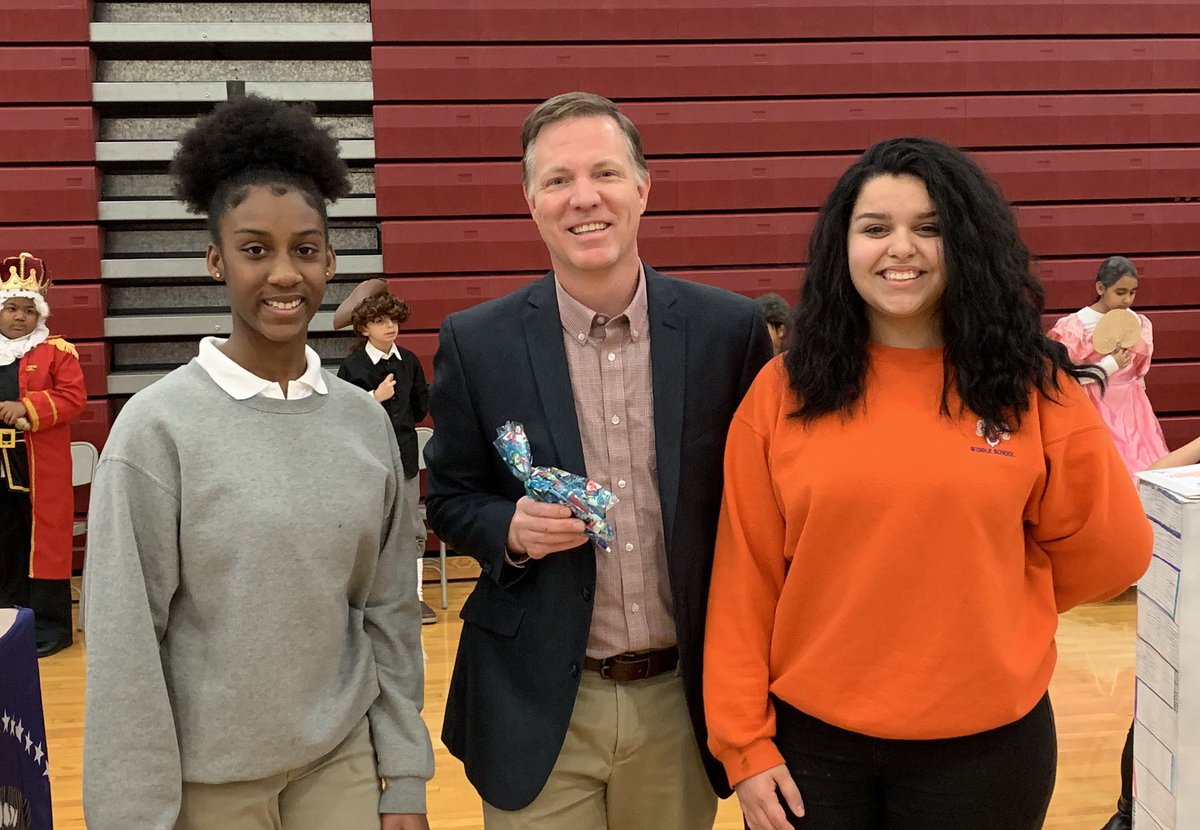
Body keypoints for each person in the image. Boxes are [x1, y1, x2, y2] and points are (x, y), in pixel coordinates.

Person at [703, 137, 1153, 830]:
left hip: (986, 753)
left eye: (929, 227)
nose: (901, 248)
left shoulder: (1032, 388)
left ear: (967, 243)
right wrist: (744, 745)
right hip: (811, 752)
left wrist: (991, 598)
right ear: (842, 248)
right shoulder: (783, 391)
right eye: (875, 228)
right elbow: (745, 580)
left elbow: (1116, 551)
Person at [81, 95, 433, 830]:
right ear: (216, 260)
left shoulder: (364, 423)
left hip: (341, 762)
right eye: (254, 249)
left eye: (304, 249)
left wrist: (403, 775)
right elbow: (125, 649)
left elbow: (390, 611)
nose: (283, 273)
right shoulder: (156, 429)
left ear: (330, 260)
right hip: (208, 785)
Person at [423, 91, 773, 829]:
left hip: (683, 701)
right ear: (531, 203)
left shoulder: (729, 332)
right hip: (535, 701)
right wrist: (510, 530)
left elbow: (765, 510)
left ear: (643, 187)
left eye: (606, 173)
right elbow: (450, 498)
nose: (585, 197)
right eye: (558, 180)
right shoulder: (476, 343)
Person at [0, 251, 86, 658]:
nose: (20, 317)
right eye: (12, 308)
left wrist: (27, 407)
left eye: (29, 310)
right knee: (5, 542)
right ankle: (7, 624)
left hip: (38, 465)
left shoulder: (58, 351)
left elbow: (73, 398)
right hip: (1, 467)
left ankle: (50, 628)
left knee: (44, 545)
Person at [336, 287, 435, 624]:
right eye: (380, 321)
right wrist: (373, 398)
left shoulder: (409, 361)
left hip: (404, 458)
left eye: (393, 320)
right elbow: (343, 415)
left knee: (411, 527)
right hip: (367, 460)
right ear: (364, 328)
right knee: (371, 526)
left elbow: (420, 408)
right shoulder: (352, 366)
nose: (390, 327)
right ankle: (368, 596)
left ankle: (414, 596)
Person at [1047, 256, 1169, 478]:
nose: (1127, 299)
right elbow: (1067, 376)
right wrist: (1110, 365)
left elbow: (1138, 371)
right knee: (1104, 462)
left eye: (1132, 293)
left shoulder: (1136, 321)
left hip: (1131, 405)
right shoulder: (1077, 325)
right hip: (1094, 401)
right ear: (1101, 288)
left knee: (1141, 456)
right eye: (1120, 292)